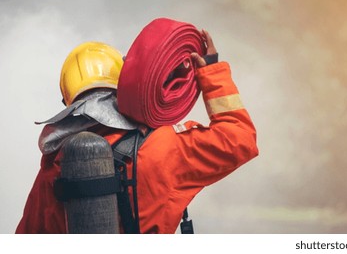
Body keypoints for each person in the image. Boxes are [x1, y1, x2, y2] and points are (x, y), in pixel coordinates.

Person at [16, 30, 259, 233]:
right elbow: (240, 139)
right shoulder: (164, 146)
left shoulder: (55, 165)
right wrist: (212, 72)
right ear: (124, 84)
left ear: (68, 101)